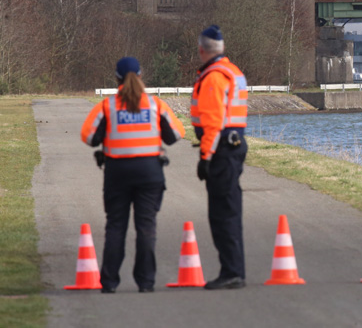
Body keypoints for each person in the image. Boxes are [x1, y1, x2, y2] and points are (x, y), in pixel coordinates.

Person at [80, 57, 185, 293]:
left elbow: (88, 137)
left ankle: (109, 283)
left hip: (117, 173)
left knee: (116, 226)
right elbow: (176, 134)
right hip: (150, 172)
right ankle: (146, 283)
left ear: (116, 78)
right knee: (146, 227)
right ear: (141, 75)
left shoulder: (107, 106)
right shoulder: (155, 104)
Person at [191, 25, 249, 290]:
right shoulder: (233, 72)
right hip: (234, 146)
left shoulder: (214, 77)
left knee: (222, 214)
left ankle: (232, 272)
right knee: (230, 210)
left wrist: (205, 157)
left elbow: (213, 123)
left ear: (202, 49)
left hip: (222, 150)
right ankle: (234, 269)